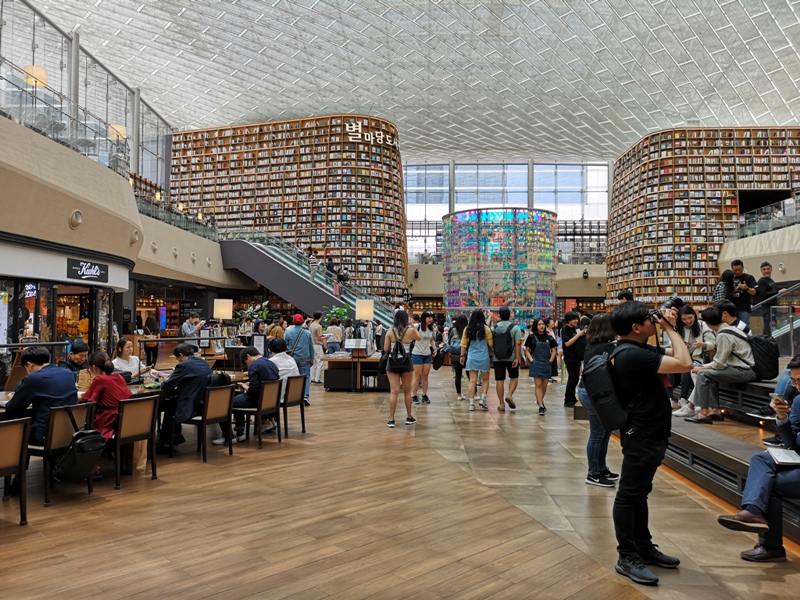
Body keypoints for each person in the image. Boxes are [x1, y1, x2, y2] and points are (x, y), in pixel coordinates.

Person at [609, 301, 692, 586]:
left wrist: (669, 328)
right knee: (629, 494)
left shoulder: (635, 350)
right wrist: (669, 327)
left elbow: (678, 353)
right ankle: (627, 557)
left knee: (640, 492)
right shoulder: (631, 354)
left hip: (649, 432)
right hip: (642, 434)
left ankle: (643, 547)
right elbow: (684, 363)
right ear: (635, 328)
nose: (653, 321)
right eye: (649, 319)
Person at [716, 354, 800, 562]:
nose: (798, 386)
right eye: (795, 381)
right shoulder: (799, 401)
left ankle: (770, 546)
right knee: (760, 458)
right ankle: (752, 512)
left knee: (770, 484)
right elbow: (790, 442)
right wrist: (782, 418)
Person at [686, 306, 757, 424]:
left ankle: (703, 413)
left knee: (703, 374)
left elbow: (719, 364)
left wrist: (701, 368)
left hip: (745, 370)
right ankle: (715, 410)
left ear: (707, 324)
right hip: (744, 368)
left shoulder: (723, 335)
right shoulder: (731, 329)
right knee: (710, 375)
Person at [4, 346, 79, 445]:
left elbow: (12, 409)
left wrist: (12, 398)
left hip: (44, 435)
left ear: (29, 365)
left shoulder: (33, 378)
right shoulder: (68, 373)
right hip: (70, 431)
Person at [577, 314, 619, 487]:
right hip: (595, 393)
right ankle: (593, 473)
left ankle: (600, 468)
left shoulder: (590, 345)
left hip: (587, 390)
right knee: (597, 434)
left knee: (604, 432)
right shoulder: (609, 347)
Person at [214, 346, 280, 444]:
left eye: (246, 362)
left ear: (248, 356)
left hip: (256, 400)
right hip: (269, 400)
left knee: (224, 403)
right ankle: (240, 433)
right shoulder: (271, 363)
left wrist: (245, 387)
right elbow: (266, 380)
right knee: (237, 399)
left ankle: (229, 436)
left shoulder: (254, 366)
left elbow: (253, 391)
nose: (247, 364)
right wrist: (251, 384)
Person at [155, 343, 212, 449]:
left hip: (191, 404)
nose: (178, 361)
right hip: (203, 403)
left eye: (177, 358)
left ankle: (167, 440)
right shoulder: (203, 362)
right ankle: (174, 437)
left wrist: (161, 382)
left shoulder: (183, 365)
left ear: (181, 355)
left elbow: (167, 385)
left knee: (169, 405)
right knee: (171, 404)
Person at [671, 306, 717, 418]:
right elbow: (674, 346)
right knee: (670, 369)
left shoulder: (703, 325)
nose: (688, 321)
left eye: (690, 318)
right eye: (684, 319)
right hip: (684, 357)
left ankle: (689, 402)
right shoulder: (679, 328)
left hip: (700, 358)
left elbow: (713, 344)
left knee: (690, 368)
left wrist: (703, 344)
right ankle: (673, 399)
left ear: (695, 315)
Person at [81, 352, 131, 441]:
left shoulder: (100, 379)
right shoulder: (119, 377)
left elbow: (87, 398)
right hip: (123, 420)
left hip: (107, 421)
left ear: (93, 367)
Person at [384, 310, 421, 428]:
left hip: (392, 363)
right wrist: (412, 326)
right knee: (407, 391)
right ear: (406, 319)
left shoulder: (389, 331)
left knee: (394, 392)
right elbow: (419, 338)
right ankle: (409, 417)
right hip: (406, 362)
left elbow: (385, 349)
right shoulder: (410, 331)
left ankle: (391, 419)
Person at [461, 309, 493, 411]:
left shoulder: (467, 329)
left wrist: (462, 356)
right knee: (485, 380)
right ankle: (483, 399)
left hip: (472, 357)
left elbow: (463, 344)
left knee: (472, 381)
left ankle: (471, 404)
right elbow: (491, 344)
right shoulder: (486, 329)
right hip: (483, 357)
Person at [525, 318, 557, 416]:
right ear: (536, 326)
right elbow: (527, 350)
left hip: (546, 363)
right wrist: (531, 360)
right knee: (538, 384)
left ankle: (540, 400)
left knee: (544, 385)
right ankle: (541, 406)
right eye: (539, 324)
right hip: (536, 363)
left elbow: (554, 350)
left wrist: (550, 361)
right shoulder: (531, 337)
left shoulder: (549, 337)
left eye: (543, 324)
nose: (541, 326)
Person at [493, 306, 523, 411]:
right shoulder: (515, 328)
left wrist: (494, 352)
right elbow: (518, 343)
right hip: (512, 357)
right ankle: (509, 394)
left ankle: (501, 404)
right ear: (510, 314)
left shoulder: (494, 327)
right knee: (514, 377)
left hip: (498, 358)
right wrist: (517, 358)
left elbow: (491, 342)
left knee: (499, 380)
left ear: (499, 315)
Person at [285, 314, 314, 403]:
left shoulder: (288, 332)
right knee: (306, 377)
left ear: (293, 321)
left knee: (292, 378)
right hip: (304, 358)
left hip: (292, 358)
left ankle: (293, 396)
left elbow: (285, 345)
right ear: (302, 322)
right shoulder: (307, 333)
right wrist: (311, 359)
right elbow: (311, 347)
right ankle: (305, 396)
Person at [411, 310, 437, 405]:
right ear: (424, 318)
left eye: (431, 317)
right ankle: (414, 396)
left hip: (427, 354)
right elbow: (410, 329)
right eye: (428, 317)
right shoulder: (418, 326)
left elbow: (431, 340)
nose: (431, 319)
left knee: (425, 376)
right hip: (417, 354)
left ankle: (424, 395)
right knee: (417, 376)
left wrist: (435, 349)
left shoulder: (431, 329)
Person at [561, 311, 586, 407]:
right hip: (570, 357)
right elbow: (567, 343)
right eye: (574, 319)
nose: (576, 321)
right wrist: (578, 335)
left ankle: (572, 398)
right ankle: (568, 399)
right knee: (572, 378)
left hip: (578, 356)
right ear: (568, 320)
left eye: (577, 319)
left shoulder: (577, 329)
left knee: (575, 378)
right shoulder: (565, 329)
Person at [755, 261, 786, 337]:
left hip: (773, 308)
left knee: (772, 325)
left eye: (768, 269)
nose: (766, 271)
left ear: (771, 269)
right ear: (761, 271)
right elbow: (763, 295)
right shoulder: (761, 281)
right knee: (769, 327)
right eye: (764, 269)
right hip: (767, 308)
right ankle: (767, 342)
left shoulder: (771, 281)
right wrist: (777, 292)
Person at [730, 259, 758, 325]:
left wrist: (746, 288)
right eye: (735, 270)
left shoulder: (749, 278)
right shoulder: (729, 278)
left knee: (744, 328)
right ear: (732, 268)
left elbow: (754, 292)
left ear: (743, 267)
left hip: (744, 308)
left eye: (739, 270)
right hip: (731, 309)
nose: (737, 272)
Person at [448, 313, 468, 401]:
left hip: (455, 355)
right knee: (470, 375)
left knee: (458, 375)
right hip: (467, 354)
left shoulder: (453, 330)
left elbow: (449, 342)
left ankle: (459, 395)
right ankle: (474, 393)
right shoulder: (468, 330)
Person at [308, 311, 326, 384]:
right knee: (320, 362)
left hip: (312, 345)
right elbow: (319, 338)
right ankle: (317, 379)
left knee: (314, 362)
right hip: (318, 346)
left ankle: (312, 378)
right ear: (320, 317)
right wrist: (326, 337)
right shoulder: (318, 326)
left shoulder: (311, 325)